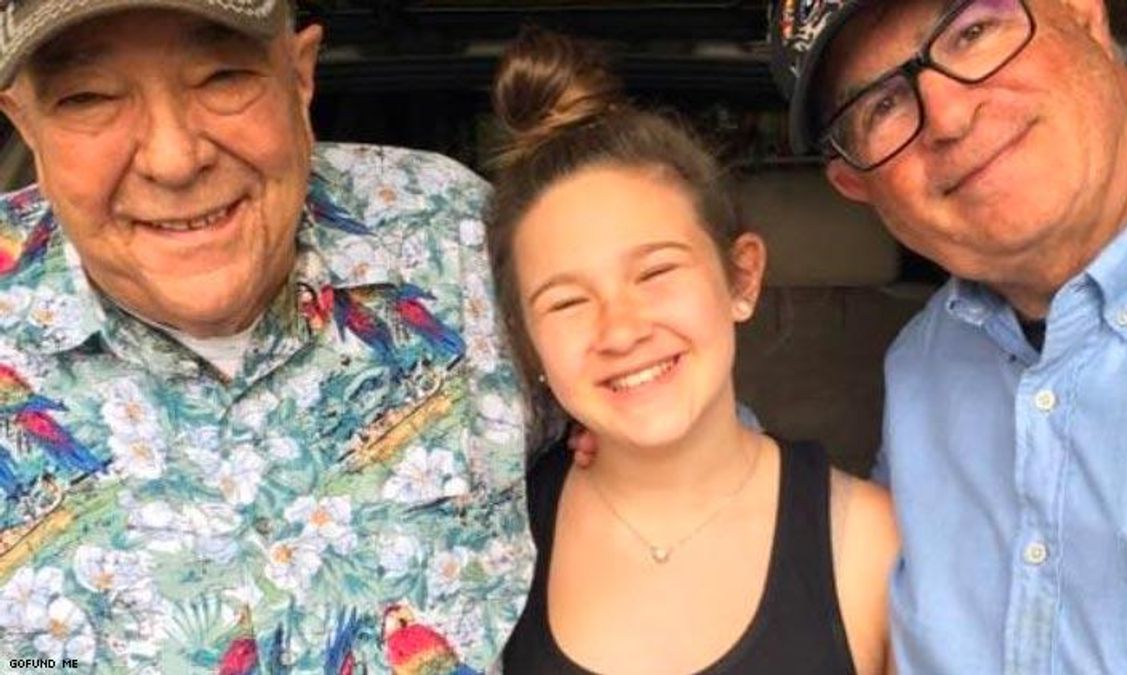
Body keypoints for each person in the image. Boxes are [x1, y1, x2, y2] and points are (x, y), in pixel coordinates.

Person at [0, 1, 531, 671]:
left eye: (222, 77)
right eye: (89, 97)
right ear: (25, 123)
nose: (173, 159)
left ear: (300, 76)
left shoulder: (456, 237)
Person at [770, 0, 1127, 672]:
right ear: (857, 185)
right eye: (882, 105)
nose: (948, 116)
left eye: (971, 33)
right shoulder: (922, 368)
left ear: (1084, 13)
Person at [487, 28, 898, 675]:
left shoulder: (870, 543)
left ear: (741, 278)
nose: (620, 331)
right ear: (527, 341)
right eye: (566, 302)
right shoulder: (490, 542)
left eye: (655, 272)